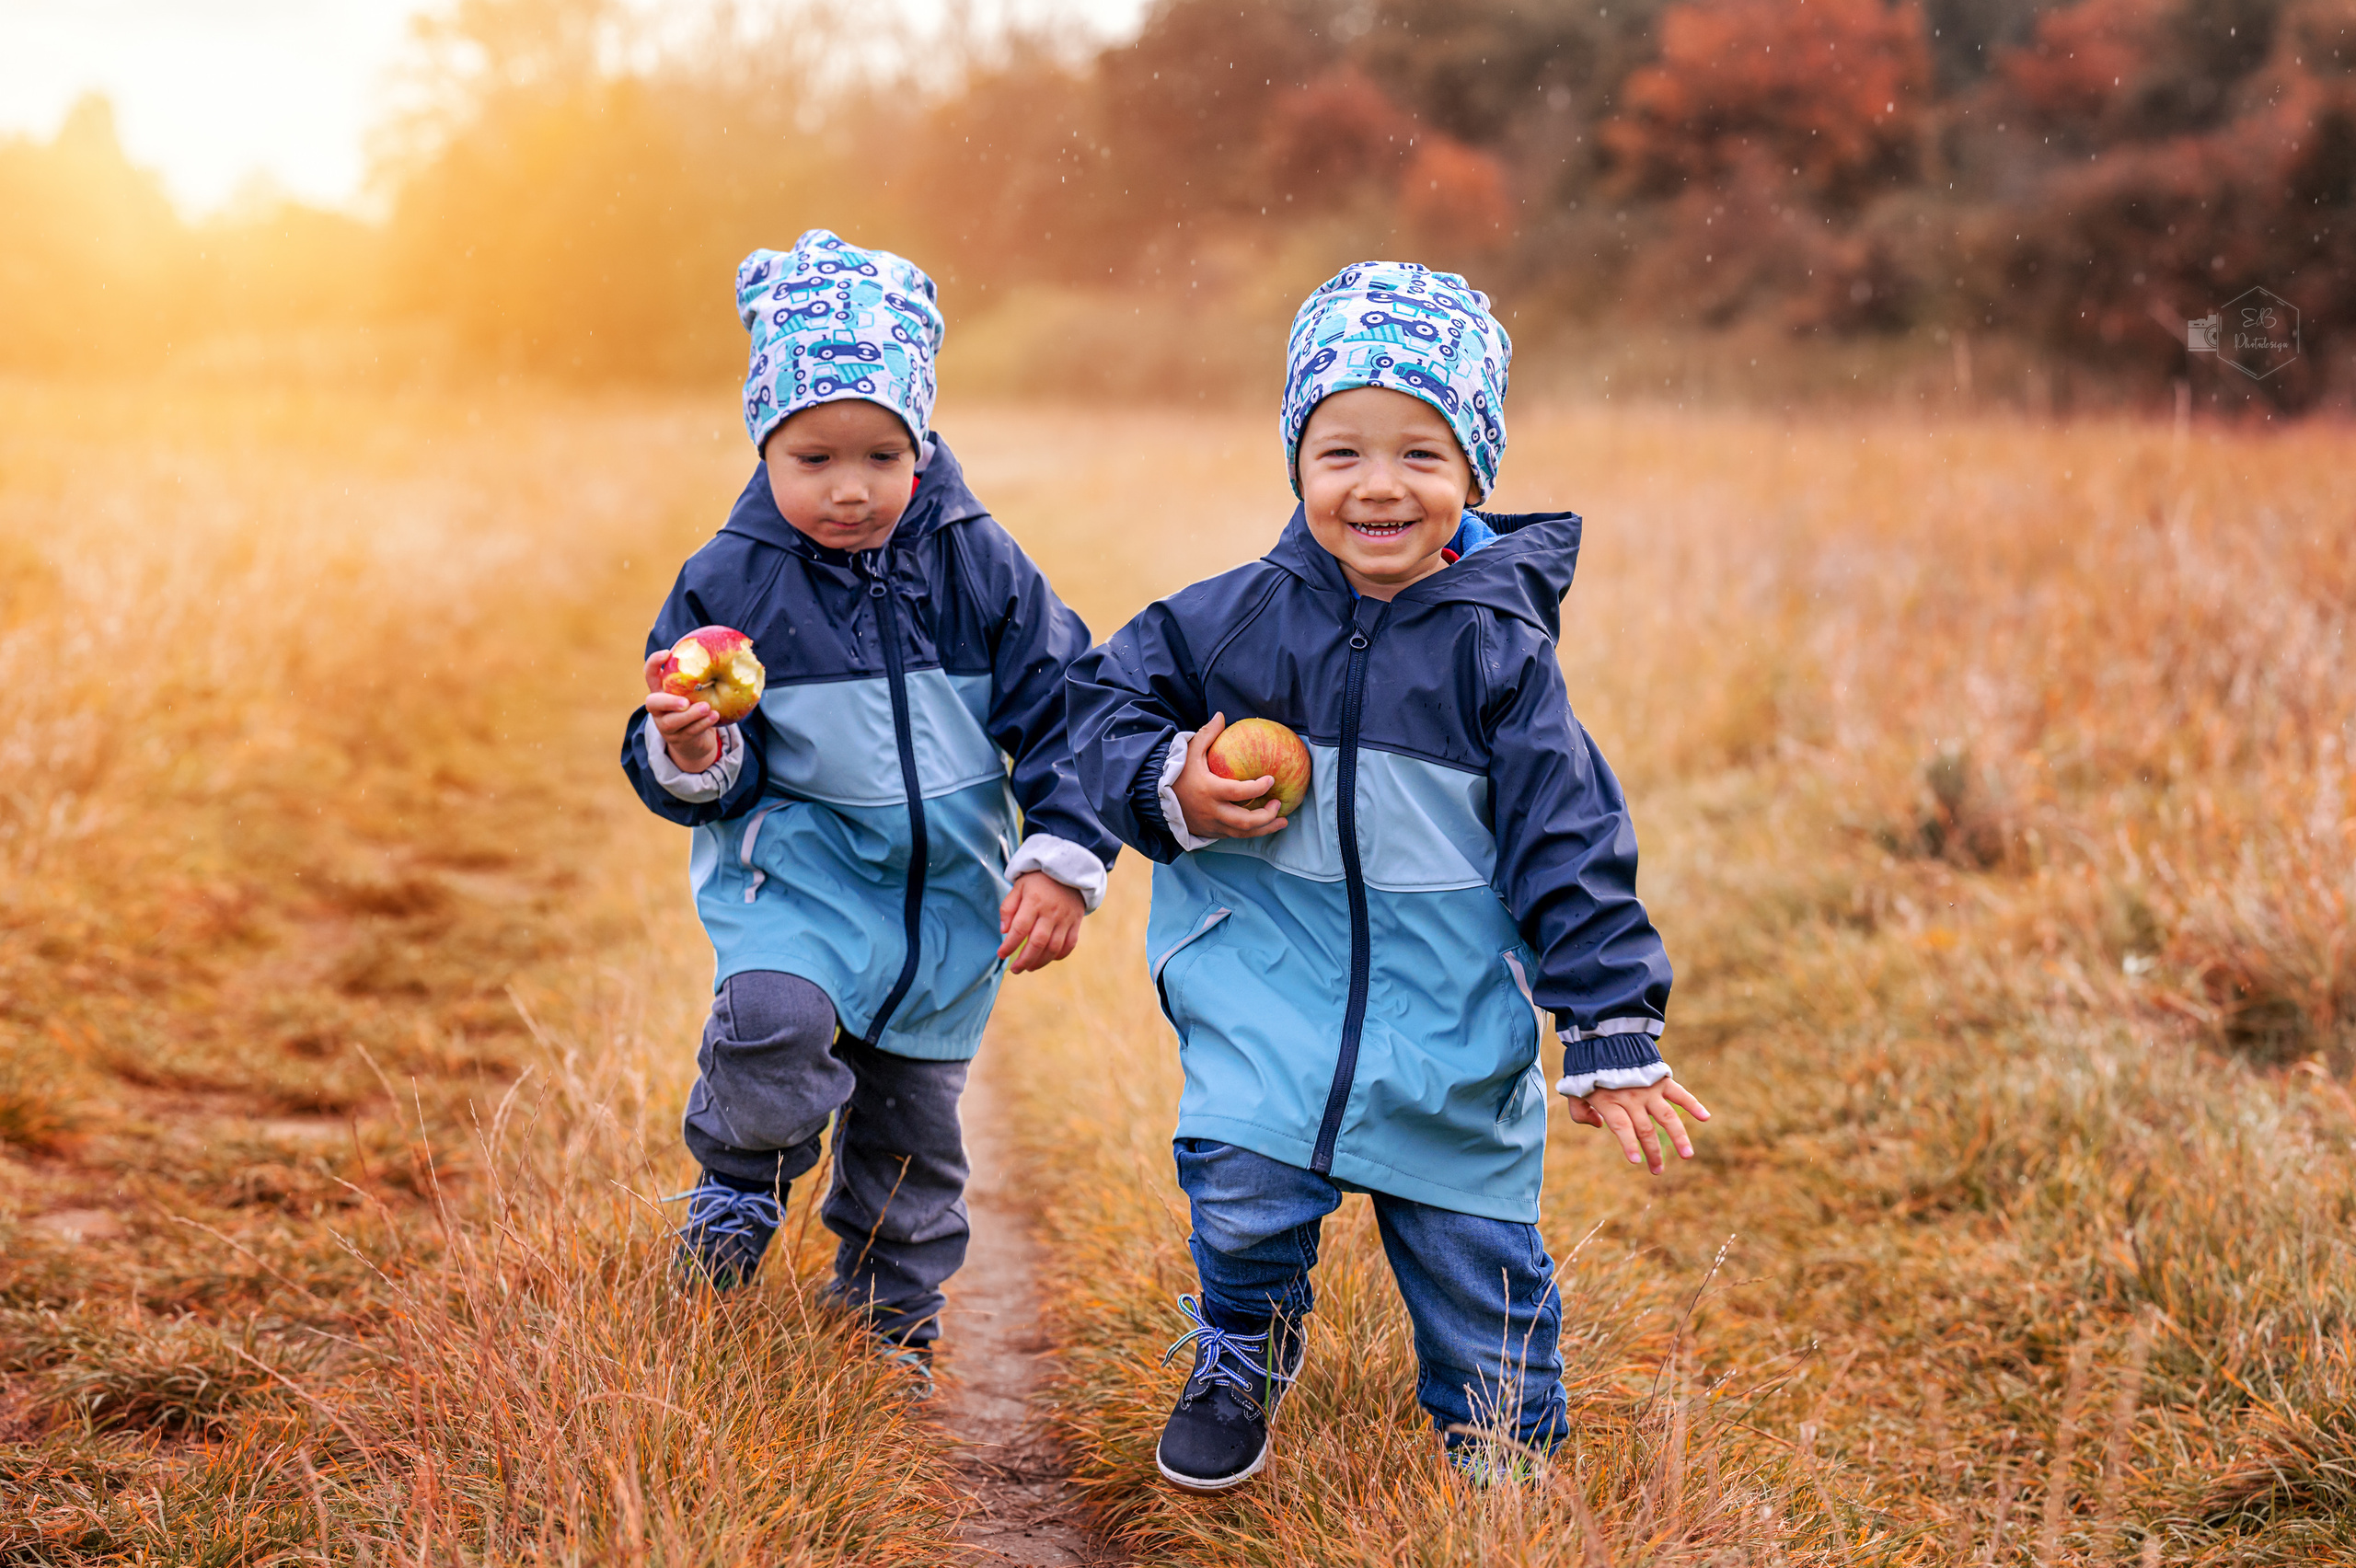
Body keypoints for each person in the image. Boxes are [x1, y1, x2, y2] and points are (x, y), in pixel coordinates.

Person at [1065, 260, 1710, 1487]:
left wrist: (1611, 1025)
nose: (1378, 484)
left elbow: (1569, 845)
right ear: (1298, 465)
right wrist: (1174, 785)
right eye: (1341, 450)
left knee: (1480, 1263)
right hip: (1266, 995)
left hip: (1446, 1014)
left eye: (1421, 453)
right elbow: (1090, 714)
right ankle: (1244, 1342)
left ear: (1474, 474)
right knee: (1244, 1196)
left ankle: (1507, 1459)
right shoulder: (1231, 621)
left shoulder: (1498, 656)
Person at [623, 229, 1116, 1384]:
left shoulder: (978, 564)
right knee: (773, 1023)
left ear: (923, 440)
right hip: (796, 880)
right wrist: (692, 748)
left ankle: (888, 1322)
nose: (849, 487)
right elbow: (691, 774)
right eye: (813, 455)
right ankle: (741, 1185)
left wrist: (1056, 856)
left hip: (945, 906)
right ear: (765, 443)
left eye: (881, 454)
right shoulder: (728, 579)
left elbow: (1067, 711)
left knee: (910, 1140)